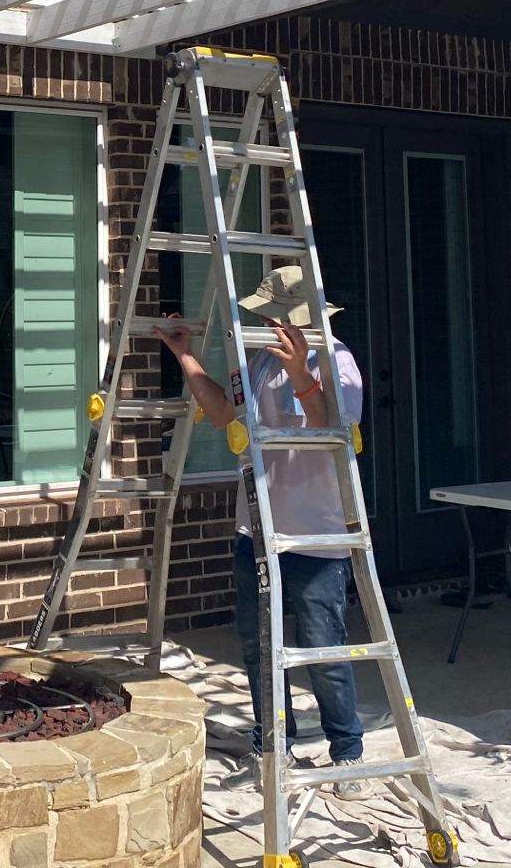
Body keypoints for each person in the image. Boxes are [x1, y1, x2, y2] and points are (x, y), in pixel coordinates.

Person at [156, 263, 369, 793]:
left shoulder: (337, 360)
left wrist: (301, 372)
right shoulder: (259, 360)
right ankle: (273, 744)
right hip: (256, 527)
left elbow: (331, 427)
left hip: (317, 533)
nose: (267, 325)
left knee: (322, 647)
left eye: (275, 317)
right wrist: (185, 356)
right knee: (257, 646)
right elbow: (224, 414)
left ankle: (347, 753)